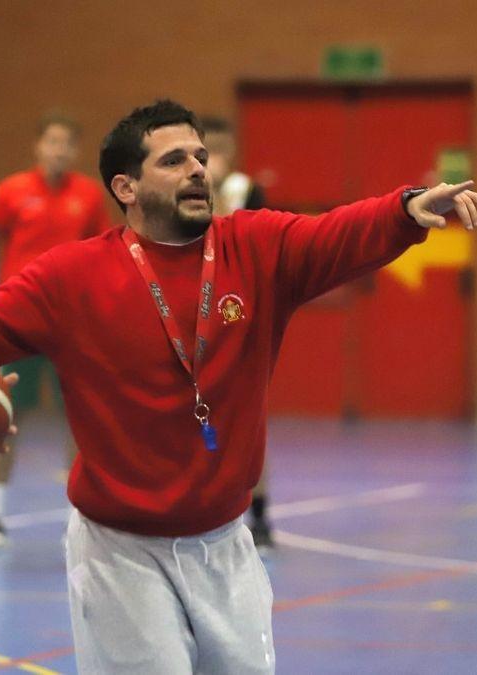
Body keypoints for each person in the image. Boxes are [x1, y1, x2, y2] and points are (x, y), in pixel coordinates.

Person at [0, 99, 477, 673]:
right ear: (126, 188)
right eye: (174, 161)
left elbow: (333, 233)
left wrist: (404, 209)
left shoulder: (257, 245)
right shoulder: (72, 277)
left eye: (200, 157)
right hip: (119, 551)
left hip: (226, 541)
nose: (198, 169)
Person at [0, 111, 113, 550]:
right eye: (52, 142)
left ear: (74, 151)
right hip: (19, 320)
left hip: (72, 322)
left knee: (80, 418)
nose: (59, 150)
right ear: (38, 146)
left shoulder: (88, 196)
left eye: (67, 144)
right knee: (6, 415)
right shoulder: (12, 191)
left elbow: (100, 252)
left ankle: (82, 520)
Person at [200, 115, 277, 552]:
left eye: (223, 147)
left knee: (249, 415)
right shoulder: (184, 189)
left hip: (239, 312)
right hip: (194, 314)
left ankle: (261, 514)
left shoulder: (247, 191)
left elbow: (261, 245)